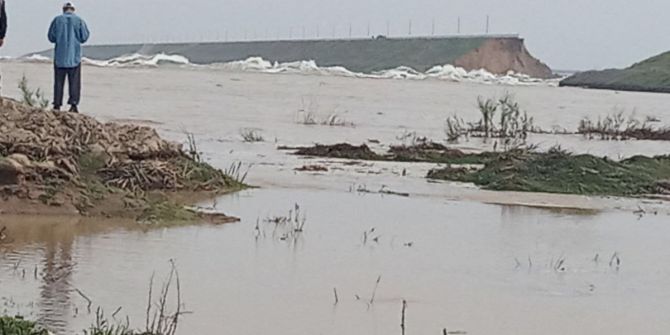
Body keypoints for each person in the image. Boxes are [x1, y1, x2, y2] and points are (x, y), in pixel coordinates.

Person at [48, 2, 89, 113]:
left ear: (64, 9)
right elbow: (84, 37)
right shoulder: (79, 21)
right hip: (74, 56)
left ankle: (57, 104)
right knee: (74, 82)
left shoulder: (57, 20)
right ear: (73, 9)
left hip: (60, 57)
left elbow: (51, 37)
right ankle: (73, 104)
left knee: (58, 82)